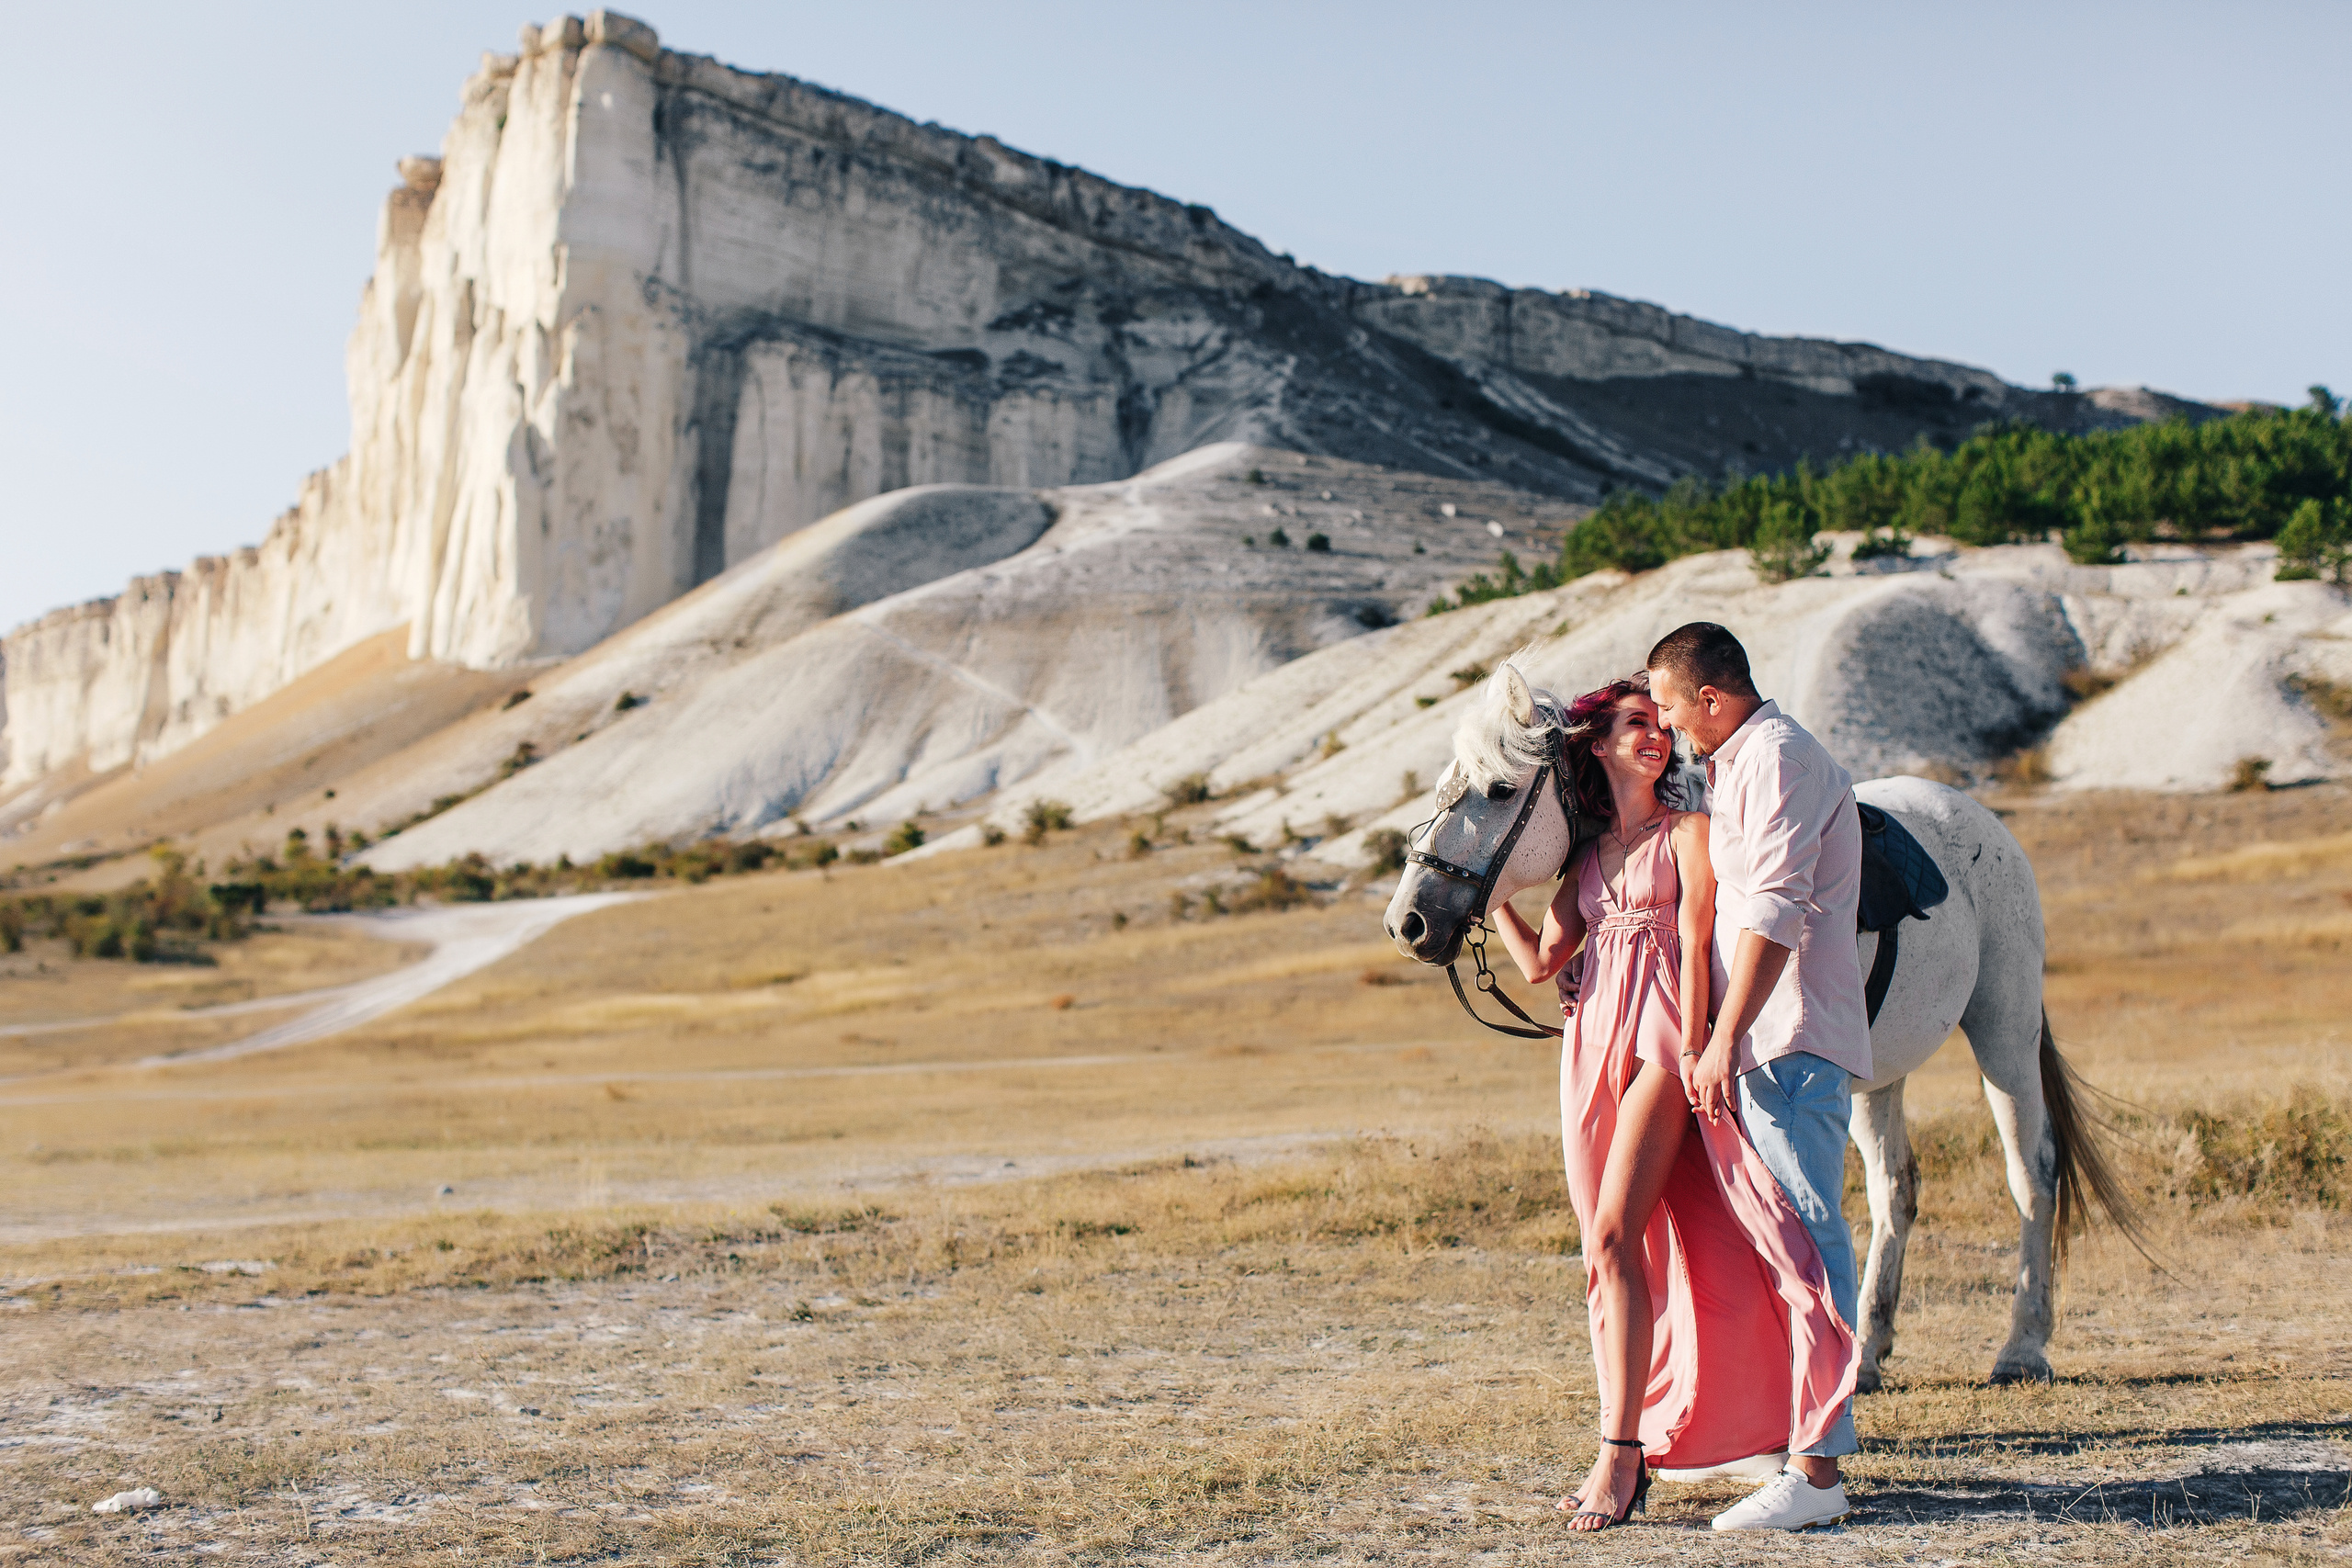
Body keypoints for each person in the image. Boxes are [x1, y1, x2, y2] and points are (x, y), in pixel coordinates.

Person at [1490, 672, 1856, 1534]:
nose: (1655, 735)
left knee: (1616, 1228)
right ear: (1599, 744)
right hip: (1591, 1045)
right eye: (1634, 724)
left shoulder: (1686, 831)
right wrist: (1490, 895)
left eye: (1661, 723)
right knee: (1607, 1245)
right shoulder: (1585, 859)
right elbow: (1544, 963)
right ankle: (1640, 1430)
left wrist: (1696, 1044)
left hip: (1660, 1037)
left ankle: (1620, 1453)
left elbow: (1697, 940)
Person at [1646, 622, 1871, 1533]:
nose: (1663, 727)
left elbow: (1775, 912)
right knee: (1788, 1245)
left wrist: (1721, 1038)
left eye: (1668, 706)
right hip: (1759, 1041)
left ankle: (1817, 1476)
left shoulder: (1777, 757)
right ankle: (1796, 1449)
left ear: (1710, 696)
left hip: (1787, 1038)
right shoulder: (1733, 762)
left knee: (1812, 1242)